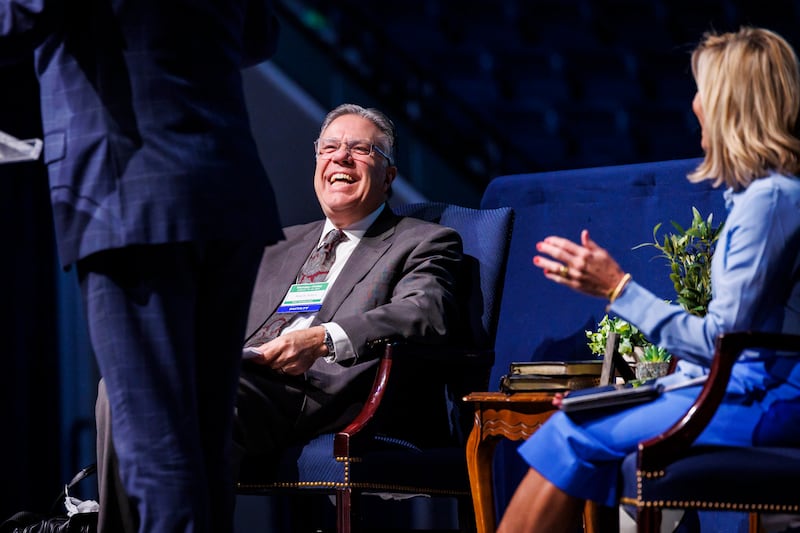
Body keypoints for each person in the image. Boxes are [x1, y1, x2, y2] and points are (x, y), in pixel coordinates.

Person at [96, 103, 466, 532]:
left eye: (361, 150)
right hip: (248, 375)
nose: (340, 157)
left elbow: (426, 311)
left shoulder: (424, 240)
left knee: (205, 400)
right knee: (122, 389)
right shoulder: (281, 243)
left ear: (389, 177)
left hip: (331, 390)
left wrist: (320, 339)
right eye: (329, 147)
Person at [497, 26, 800, 533]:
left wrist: (617, 289)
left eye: (702, 90)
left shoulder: (770, 201)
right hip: (742, 388)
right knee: (578, 415)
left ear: (728, 104)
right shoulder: (761, 198)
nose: (694, 104)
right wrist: (629, 394)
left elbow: (723, 342)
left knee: (572, 430)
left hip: (770, 399)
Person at [0, 2, 284, 532]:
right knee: (203, 443)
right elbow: (260, 34)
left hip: (130, 199)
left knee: (157, 449)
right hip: (227, 194)